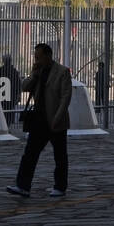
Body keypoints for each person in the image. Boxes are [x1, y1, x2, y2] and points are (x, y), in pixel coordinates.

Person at [7, 43, 72, 198]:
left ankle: (60, 186)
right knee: (30, 154)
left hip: (55, 120)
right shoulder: (38, 71)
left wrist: (58, 116)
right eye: (35, 57)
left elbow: (66, 96)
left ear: (48, 56)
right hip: (39, 119)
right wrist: (34, 74)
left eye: (39, 57)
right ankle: (23, 185)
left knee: (60, 155)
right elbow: (25, 87)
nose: (36, 60)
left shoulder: (62, 72)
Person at [0, 54, 20, 127]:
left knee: (1, 112)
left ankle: (1, 126)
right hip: (11, 96)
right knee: (9, 112)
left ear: (3, 61)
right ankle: (7, 126)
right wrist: (18, 96)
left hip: (0, 96)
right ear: (10, 61)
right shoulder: (14, 72)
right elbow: (18, 85)